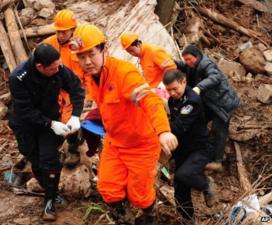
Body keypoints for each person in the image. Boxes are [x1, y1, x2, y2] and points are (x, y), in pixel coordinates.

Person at [70, 24, 178, 225]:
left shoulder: (125, 74)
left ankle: (149, 216)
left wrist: (163, 131)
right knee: (108, 189)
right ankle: (123, 219)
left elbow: (150, 100)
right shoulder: (90, 75)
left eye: (91, 54)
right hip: (115, 141)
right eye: (81, 56)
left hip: (142, 145)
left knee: (140, 195)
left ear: (104, 50)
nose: (87, 61)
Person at [8, 43, 85, 221]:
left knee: (49, 159)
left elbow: (76, 89)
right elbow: (25, 109)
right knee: (34, 159)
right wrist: (49, 123)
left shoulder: (59, 69)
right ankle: (52, 190)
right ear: (40, 67)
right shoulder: (18, 77)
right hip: (26, 123)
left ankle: (49, 203)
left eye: (58, 66)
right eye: (52, 68)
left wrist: (75, 116)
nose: (57, 70)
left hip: (51, 120)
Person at [175, 44, 240, 171]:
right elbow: (184, 66)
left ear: (197, 56)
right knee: (198, 120)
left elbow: (214, 77)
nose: (187, 62)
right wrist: (173, 63)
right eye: (185, 60)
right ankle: (199, 147)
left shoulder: (207, 64)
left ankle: (217, 162)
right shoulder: (192, 65)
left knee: (218, 131)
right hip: (210, 103)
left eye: (189, 59)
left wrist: (199, 87)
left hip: (223, 104)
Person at [163, 69, 217, 222]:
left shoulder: (192, 101)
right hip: (183, 148)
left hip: (199, 148)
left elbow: (179, 126)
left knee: (184, 174)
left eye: (175, 88)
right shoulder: (172, 100)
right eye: (168, 90)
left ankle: (206, 184)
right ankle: (187, 219)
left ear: (184, 82)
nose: (172, 93)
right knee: (180, 188)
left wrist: (159, 125)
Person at [43, 9, 87, 167]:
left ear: (73, 30)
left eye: (65, 32)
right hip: (53, 88)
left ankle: (73, 148)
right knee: (50, 119)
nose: (61, 35)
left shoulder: (80, 45)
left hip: (73, 89)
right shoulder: (48, 44)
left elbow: (89, 70)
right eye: (59, 32)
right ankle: (49, 150)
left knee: (69, 120)